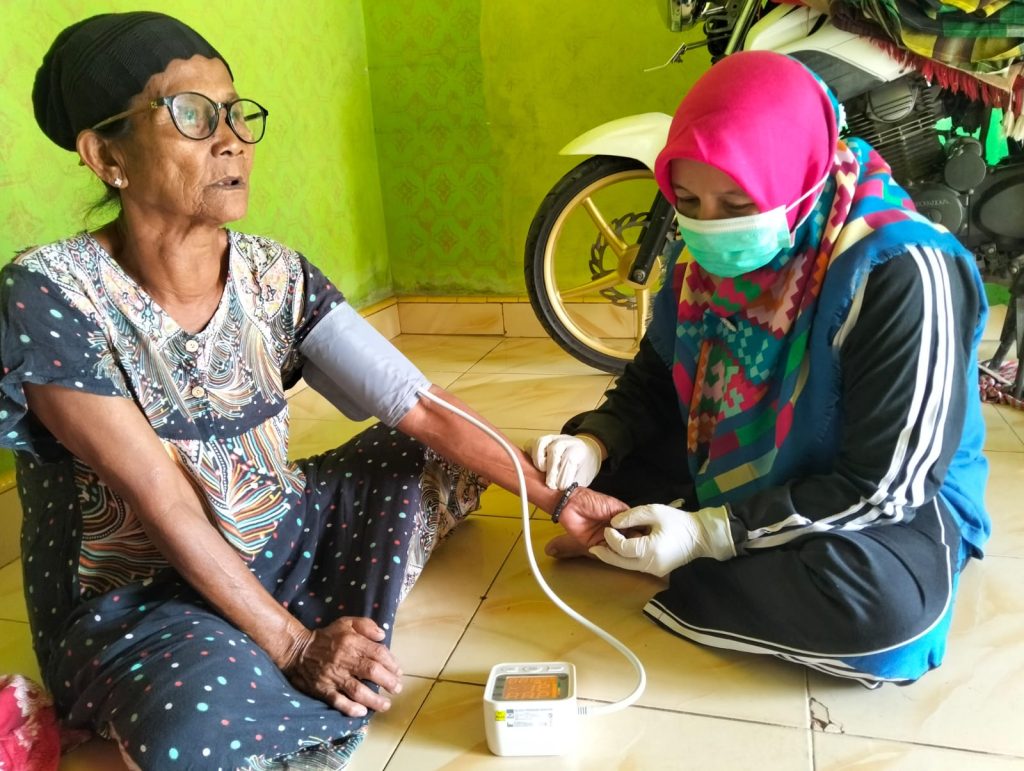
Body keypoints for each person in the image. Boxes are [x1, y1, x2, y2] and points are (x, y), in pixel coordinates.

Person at [2, 12, 625, 769]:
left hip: (279, 531)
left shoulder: (275, 272)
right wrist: (296, 645)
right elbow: (159, 496)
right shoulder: (51, 291)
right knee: (187, 730)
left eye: (235, 112)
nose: (232, 140)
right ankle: (245, 654)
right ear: (107, 156)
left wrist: (561, 500)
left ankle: (274, 629)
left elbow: (416, 402)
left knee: (436, 448)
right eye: (192, 115)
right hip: (145, 596)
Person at [532, 50, 991, 687]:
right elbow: (658, 376)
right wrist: (595, 442)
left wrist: (709, 535)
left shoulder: (901, 270)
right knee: (579, 460)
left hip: (880, 492)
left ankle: (689, 557)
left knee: (885, 616)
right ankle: (710, 547)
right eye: (687, 200)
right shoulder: (702, 254)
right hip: (745, 449)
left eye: (736, 201)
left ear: (799, 178)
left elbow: (888, 485)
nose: (709, 226)